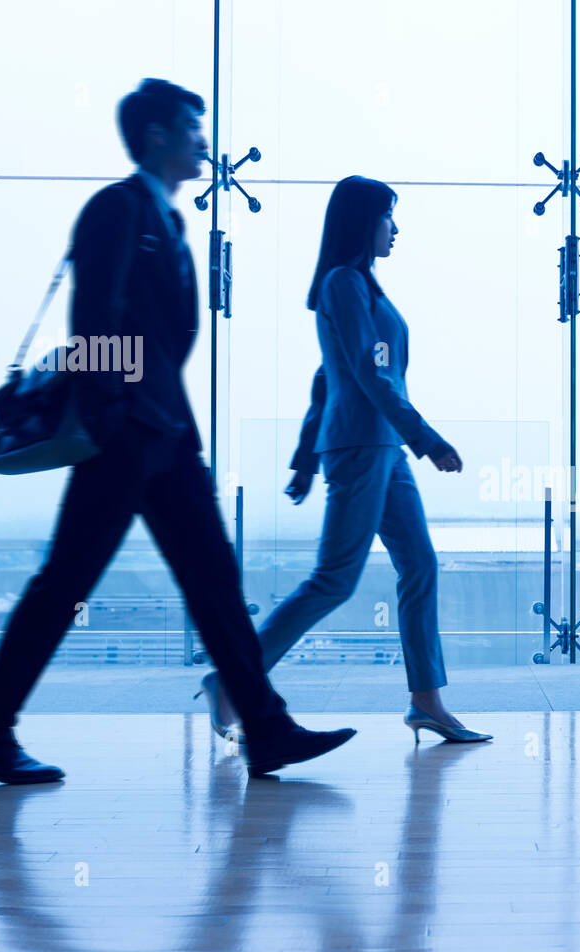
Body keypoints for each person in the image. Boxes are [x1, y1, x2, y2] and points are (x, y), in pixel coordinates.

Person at [0, 79, 356, 784]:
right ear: (159, 135)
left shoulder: (165, 219)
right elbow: (93, 324)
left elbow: (167, 336)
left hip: (161, 434)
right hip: (127, 435)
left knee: (212, 581)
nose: (205, 140)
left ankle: (266, 727)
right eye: (194, 128)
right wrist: (120, 409)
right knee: (67, 584)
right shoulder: (117, 209)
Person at [200, 176, 490, 744]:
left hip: (381, 446)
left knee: (420, 566)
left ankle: (427, 700)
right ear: (363, 222)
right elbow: (364, 372)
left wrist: (305, 458)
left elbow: (321, 379)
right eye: (389, 218)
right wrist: (427, 440)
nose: (396, 230)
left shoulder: (362, 286)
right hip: (364, 445)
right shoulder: (342, 284)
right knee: (335, 579)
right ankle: (231, 681)